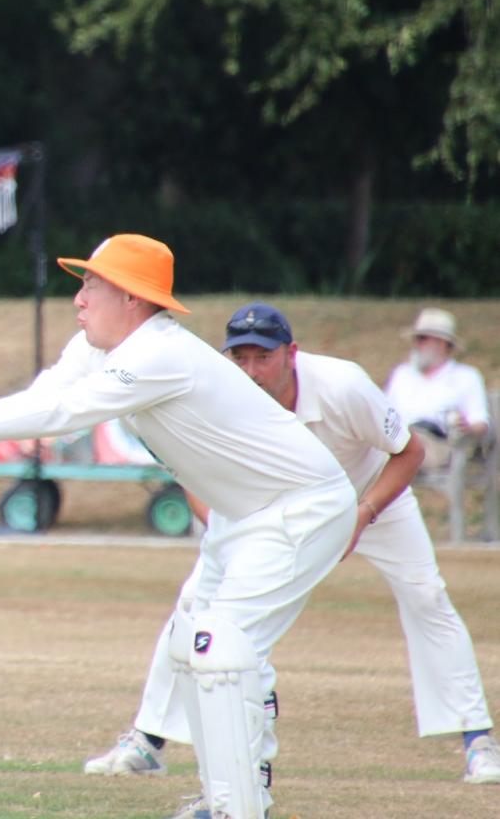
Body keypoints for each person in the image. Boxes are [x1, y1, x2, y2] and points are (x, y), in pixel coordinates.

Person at [0, 234, 357, 819]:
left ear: (135, 300)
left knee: (220, 646)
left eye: (93, 284)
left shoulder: (160, 352)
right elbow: (45, 397)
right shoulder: (99, 348)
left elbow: (66, 414)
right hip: (241, 515)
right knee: (192, 639)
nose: (79, 297)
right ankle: (231, 797)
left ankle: (237, 810)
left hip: (302, 506)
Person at [82, 302, 500, 793]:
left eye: (264, 356)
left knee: (426, 594)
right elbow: (192, 470)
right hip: (279, 509)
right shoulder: (219, 393)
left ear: (291, 354)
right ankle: (148, 741)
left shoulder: (343, 384)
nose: (252, 370)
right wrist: (225, 527)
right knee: (198, 600)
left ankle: (478, 741)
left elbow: (409, 452)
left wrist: (361, 515)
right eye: (241, 358)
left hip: (370, 492)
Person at [384, 307, 491, 471]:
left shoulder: (466, 376)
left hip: (436, 444)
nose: (416, 344)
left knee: (404, 450)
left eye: (422, 338)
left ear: (441, 343)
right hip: (395, 440)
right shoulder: (402, 373)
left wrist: (466, 427)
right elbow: (384, 413)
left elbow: (480, 422)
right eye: (416, 339)